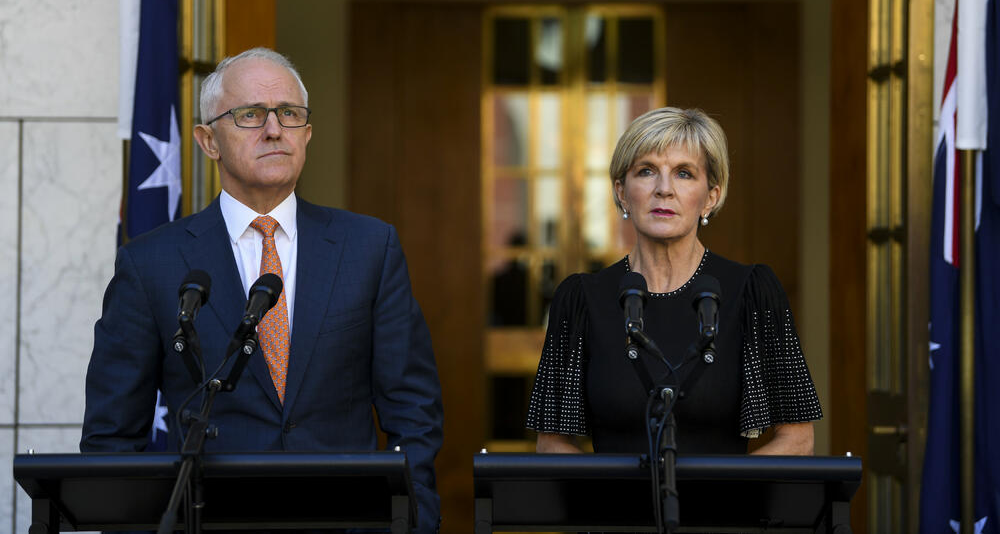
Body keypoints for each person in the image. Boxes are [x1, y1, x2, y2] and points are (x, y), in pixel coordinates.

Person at [81, 47, 443, 532]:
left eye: (289, 114)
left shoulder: (369, 248)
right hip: (211, 522)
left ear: (307, 134)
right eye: (250, 115)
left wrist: (414, 521)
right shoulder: (151, 264)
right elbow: (112, 437)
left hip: (349, 522)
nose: (274, 129)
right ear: (208, 141)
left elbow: (413, 411)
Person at [526, 106, 821, 456]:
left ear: (710, 196)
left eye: (684, 173)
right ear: (621, 192)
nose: (664, 189)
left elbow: (797, 440)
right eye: (647, 171)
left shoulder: (752, 292)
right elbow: (552, 443)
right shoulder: (580, 300)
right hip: (612, 510)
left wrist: (722, 502)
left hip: (721, 510)